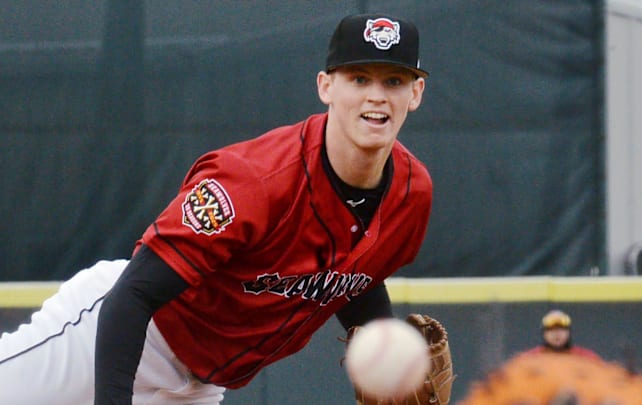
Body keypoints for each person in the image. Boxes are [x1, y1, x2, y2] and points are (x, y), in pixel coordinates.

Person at [0, 12, 435, 404]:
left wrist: (387, 360)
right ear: (326, 86)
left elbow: (354, 277)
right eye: (359, 79)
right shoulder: (255, 181)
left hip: (199, 385)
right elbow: (132, 296)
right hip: (119, 335)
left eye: (393, 82)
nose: (376, 96)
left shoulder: (411, 195)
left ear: (415, 93)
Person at [523, 309, 602, 361]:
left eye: (561, 329)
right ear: (544, 334)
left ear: (568, 332)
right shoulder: (531, 359)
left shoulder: (586, 358)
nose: (557, 334)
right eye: (551, 330)